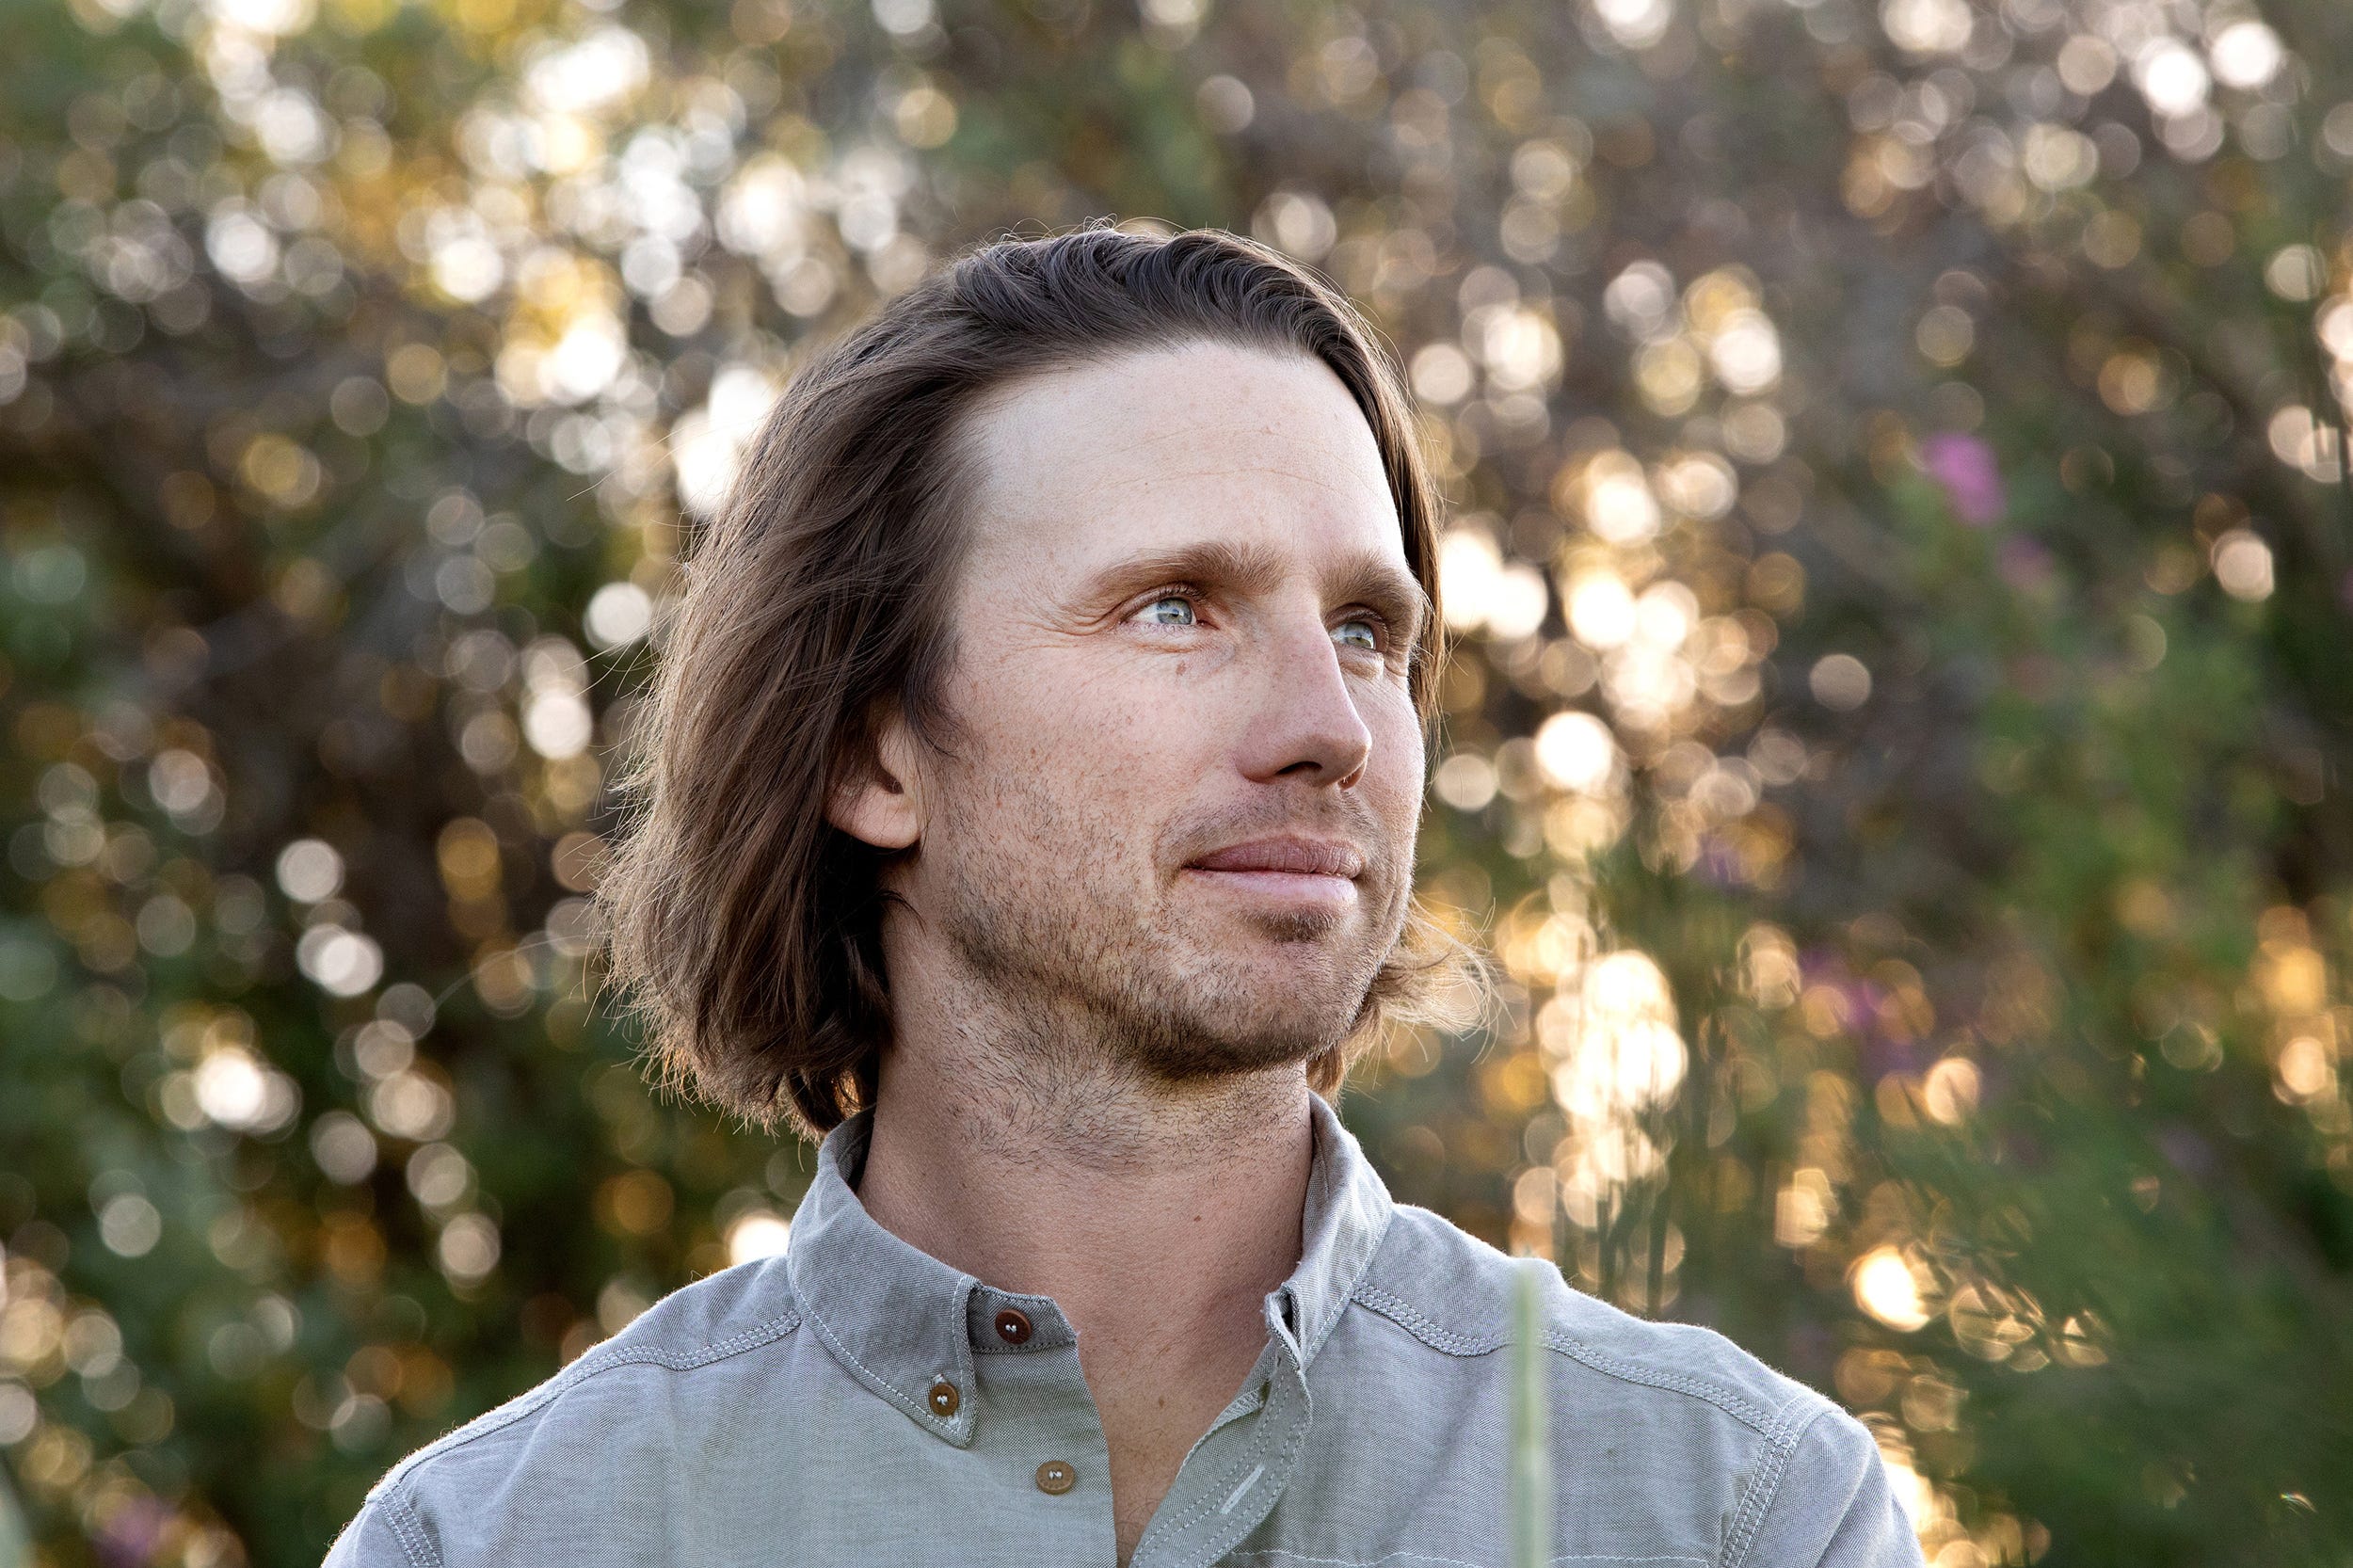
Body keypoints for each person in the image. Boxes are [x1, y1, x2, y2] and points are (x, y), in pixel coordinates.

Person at [324, 223, 1922, 1568]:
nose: (1331, 726)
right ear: (872, 749)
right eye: (1177, 608)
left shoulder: (1739, 1514)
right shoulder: (500, 1541)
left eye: (1371, 631)